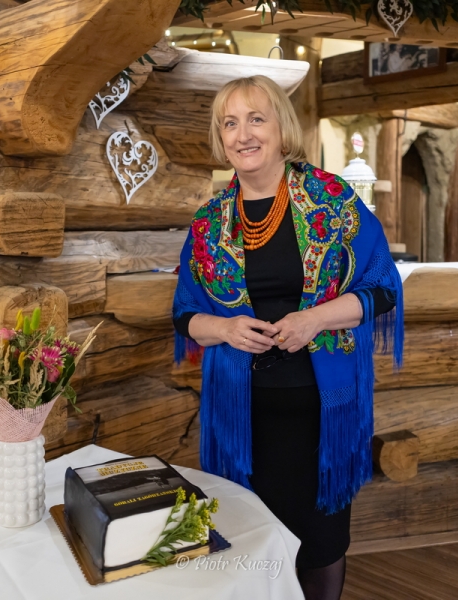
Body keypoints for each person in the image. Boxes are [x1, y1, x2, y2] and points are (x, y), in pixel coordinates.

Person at [171, 75, 403, 600]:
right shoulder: (208, 223)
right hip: (242, 415)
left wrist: (314, 319)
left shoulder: (332, 199)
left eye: (256, 119)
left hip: (321, 413)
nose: (243, 134)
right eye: (230, 123)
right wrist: (225, 328)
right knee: (251, 542)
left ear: (281, 129)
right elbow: (185, 315)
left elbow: (382, 287)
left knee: (321, 546)